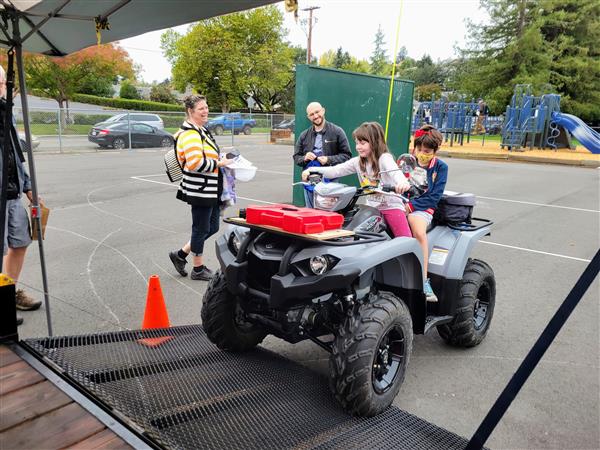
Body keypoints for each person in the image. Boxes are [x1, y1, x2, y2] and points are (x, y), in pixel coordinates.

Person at [302, 121, 411, 237]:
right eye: (357, 143)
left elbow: (396, 174)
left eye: (362, 143)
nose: (358, 147)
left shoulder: (384, 159)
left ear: (374, 143)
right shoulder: (358, 162)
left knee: (405, 239)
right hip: (371, 207)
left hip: (390, 206)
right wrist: (312, 170)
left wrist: (402, 183)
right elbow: (335, 170)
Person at [168, 95, 233, 281]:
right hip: (200, 190)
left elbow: (205, 153)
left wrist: (220, 158)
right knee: (200, 228)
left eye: (206, 107)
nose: (206, 111)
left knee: (212, 226)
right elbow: (195, 163)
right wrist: (220, 163)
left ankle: (180, 255)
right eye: (201, 109)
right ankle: (198, 269)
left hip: (210, 188)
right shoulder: (190, 134)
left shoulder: (200, 130)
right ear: (190, 111)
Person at [0, 67, 42, 325]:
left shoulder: (6, 111)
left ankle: (8, 291)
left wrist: (28, 185)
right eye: (2, 82)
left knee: (20, 242)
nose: (5, 86)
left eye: (4, 81)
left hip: (13, 192)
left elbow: (16, 152)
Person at [405, 125, 447, 302]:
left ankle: (424, 281)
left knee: (418, 232)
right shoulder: (407, 161)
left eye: (427, 151)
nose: (422, 153)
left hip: (423, 208)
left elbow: (434, 197)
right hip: (401, 203)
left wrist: (411, 207)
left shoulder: (440, 167)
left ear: (435, 151)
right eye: (419, 149)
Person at [293, 102, 352, 207]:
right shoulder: (303, 135)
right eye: (311, 114)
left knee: (329, 212)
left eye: (317, 112)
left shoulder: (337, 131)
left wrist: (329, 160)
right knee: (310, 213)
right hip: (310, 181)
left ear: (323, 111)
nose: (315, 116)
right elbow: (296, 157)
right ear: (308, 117)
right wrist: (305, 158)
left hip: (331, 180)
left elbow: (347, 155)